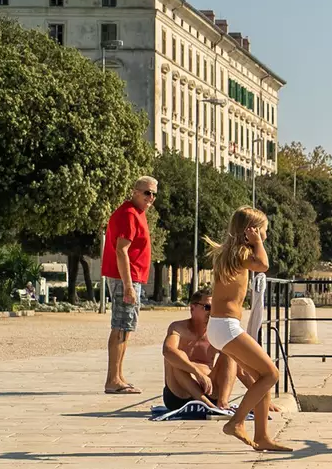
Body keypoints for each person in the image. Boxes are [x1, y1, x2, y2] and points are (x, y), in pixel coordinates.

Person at [204, 206, 289, 452]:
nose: (265, 236)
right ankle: (237, 421)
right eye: (263, 232)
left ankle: (262, 437)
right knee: (271, 374)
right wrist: (257, 243)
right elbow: (263, 264)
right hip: (226, 327)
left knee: (261, 378)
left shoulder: (229, 252)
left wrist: (255, 241)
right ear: (250, 232)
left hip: (221, 327)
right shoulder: (242, 253)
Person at [101, 176, 157, 394]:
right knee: (122, 326)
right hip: (126, 278)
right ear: (135, 191)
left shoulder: (136, 214)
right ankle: (113, 379)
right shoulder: (128, 215)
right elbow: (121, 250)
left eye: (153, 194)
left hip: (132, 277)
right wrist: (127, 286)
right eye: (146, 193)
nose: (150, 198)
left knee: (126, 327)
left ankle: (118, 375)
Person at [161, 289, 258, 411]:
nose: (212, 312)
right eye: (207, 307)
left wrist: (261, 398)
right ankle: (206, 404)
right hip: (180, 394)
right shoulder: (178, 328)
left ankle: (222, 403)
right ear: (192, 308)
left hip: (210, 391)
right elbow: (167, 350)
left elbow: (241, 370)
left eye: (215, 308)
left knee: (230, 353)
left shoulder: (216, 333)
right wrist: (197, 372)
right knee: (174, 355)